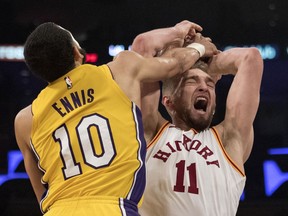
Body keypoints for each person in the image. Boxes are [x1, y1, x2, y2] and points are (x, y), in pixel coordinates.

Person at [14, 21, 218, 216]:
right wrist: (198, 46)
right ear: (77, 52)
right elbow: (175, 64)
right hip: (113, 206)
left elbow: (42, 194)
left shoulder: (25, 120)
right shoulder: (119, 70)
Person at [131, 26, 264, 216]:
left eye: (210, 84)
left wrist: (207, 62)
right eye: (192, 81)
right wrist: (179, 34)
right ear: (169, 102)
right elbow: (143, 46)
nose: (204, 87)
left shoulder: (229, 141)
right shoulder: (150, 130)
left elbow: (251, 58)